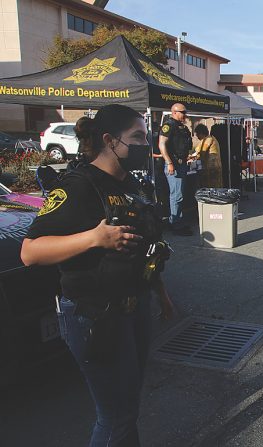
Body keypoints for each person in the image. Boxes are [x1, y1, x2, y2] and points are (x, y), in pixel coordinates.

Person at [21, 104, 173, 446]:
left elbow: (144, 245)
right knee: (115, 417)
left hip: (133, 308)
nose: (144, 145)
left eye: (145, 137)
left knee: (127, 409)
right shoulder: (78, 185)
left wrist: (160, 293)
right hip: (94, 314)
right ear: (109, 140)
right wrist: (95, 238)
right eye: (136, 137)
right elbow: (30, 251)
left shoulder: (132, 184)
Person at [159, 103, 193, 236]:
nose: (185, 115)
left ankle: (178, 220)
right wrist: (169, 163)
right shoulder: (169, 125)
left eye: (185, 112)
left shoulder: (182, 127)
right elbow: (162, 145)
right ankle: (175, 223)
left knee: (179, 194)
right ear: (174, 112)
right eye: (182, 112)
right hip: (174, 164)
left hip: (182, 163)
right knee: (176, 195)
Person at [190, 124, 223, 188]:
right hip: (214, 167)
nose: (197, 137)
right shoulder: (211, 138)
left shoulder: (208, 139)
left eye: (198, 135)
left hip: (212, 168)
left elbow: (201, 152)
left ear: (202, 133)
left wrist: (191, 157)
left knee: (212, 187)